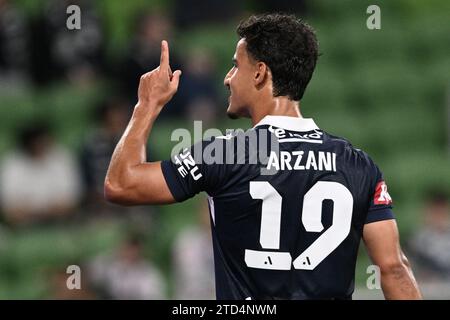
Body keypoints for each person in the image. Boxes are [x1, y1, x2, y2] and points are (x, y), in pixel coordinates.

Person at [104, 13, 421, 299]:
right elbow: (393, 269)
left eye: (235, 65)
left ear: (259, 73)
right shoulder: (357, 163)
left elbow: (121, 184)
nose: (228, 78)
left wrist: (146, 105)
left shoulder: (226, 152)